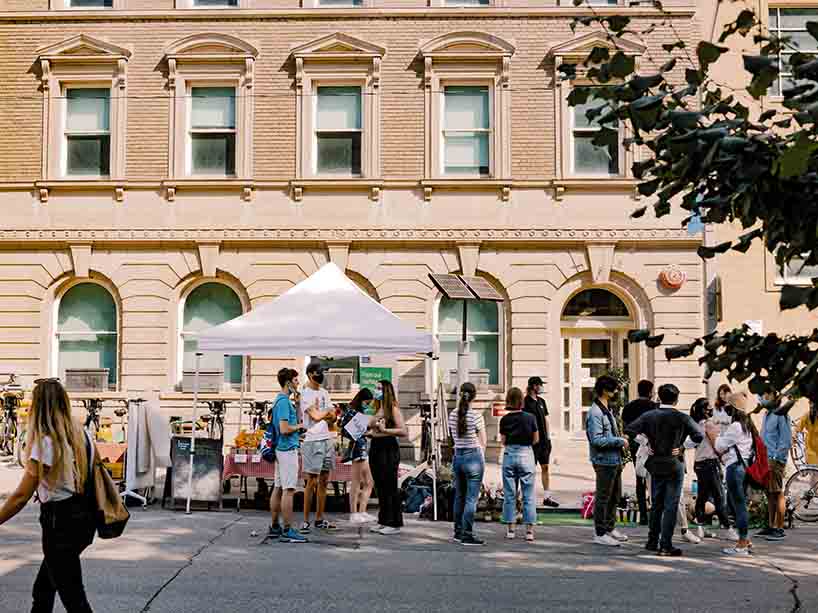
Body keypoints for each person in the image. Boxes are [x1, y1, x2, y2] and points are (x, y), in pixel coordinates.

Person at [0, 378, 95, 613]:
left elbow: (20, 495)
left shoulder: (47, 442)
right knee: (44, 589)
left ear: (38, 408)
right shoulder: (80, 435)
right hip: (83, 519)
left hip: (60, 524)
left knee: (73, 597)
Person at [626, 383, 702, 556]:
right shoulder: (682, 418)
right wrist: (683, 447)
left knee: (656, 503)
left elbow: (629, 429)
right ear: (676, 399)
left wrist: (646, 442)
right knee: (671, 504)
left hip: (654, 463)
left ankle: (652, 541)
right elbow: (699, 435)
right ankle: (666, 544)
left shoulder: (649, 415)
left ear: (659, 397)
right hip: (674, 463)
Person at [587, 375, 629, 547]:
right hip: (604, 460)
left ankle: (609, 528)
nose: (617, 391)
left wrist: (620, 438)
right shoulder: (595, 412)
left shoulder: (606, 408)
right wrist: (620, 441)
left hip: (614, 459)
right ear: (605, 390)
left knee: (614, 496)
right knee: (603, 497)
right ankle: (600, 532)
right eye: (614, 388)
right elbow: (596, 440)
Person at [269, 368, 308, 544]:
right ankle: (287, 529)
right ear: (288, 382)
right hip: (287, 449)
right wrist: (299, 427)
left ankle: (275, 526)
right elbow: (284, 429)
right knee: (289, 490)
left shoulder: (281, 400)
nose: (298, 383)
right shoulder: (284, 402)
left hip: (280, 449)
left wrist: (298, 404)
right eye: (296, 380)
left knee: (278, 487)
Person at [715, 393, 756, 556]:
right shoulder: (748, 425)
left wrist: (716, 433)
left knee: (738, 506)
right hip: (744, 468)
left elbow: (719, 445)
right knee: (739, 505)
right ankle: (745, 539)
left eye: (729, 407)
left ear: (734, 408)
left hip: (735, 469)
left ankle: (742, 544)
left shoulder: (736, 426)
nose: (727, 410)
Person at [299, 362, 338, 533]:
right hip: (312, 440)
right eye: (318, 372)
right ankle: (306, 519)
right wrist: (325, 414)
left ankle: (320, 518)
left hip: (327, 438)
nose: (321, 375)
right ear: (310, 374)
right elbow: (314, 416)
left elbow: (333, 416)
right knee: (311, 481)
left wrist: (325, 414)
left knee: (324, 481)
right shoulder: (305, 394)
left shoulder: (324, 392)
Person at [448, 382, 486, 546]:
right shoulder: (476, 415)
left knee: (460, 496)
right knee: (471, 499)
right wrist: (481, 458)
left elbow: (452, 438)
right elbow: (483, 441)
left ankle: (457, 532)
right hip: (473, 457)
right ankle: (467, 534)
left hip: (458, 457)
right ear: (474, 396)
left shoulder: (452, 415)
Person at [687, 398, 731, 538]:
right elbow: (716, 445)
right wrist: (724, 459)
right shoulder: (708, 424)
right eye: (709, 407)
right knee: (719, 496)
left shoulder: (696, 424)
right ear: (704, 410)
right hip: (710, 463)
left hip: (699, 463)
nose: (712, 409)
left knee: (702, 496)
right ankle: (728, 528)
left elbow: (691, 443)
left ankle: (701, 527)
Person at [369, 380, 408, 536]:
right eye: (375, 388)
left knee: (389, 486)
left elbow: (403, 431)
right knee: (380, 487)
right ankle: (383, 520)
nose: (376, 390)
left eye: (379, 388)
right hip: (376, 448)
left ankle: (394, 522)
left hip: (388, 450)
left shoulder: (393, 408)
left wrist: (385, 430)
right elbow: (374, 429)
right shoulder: (378, 408)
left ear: (386, 391)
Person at [499, 387, 538, 542]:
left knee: (510, 495)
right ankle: (529, 532)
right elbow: (536, 439)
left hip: (509, 455)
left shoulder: (505, 419)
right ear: (521, 401)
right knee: (528, 495)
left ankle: (511, 530)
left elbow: (502, 441)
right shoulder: (530, 418)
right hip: (526, 455)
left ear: (508, 400)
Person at [756, 386, 791, 542]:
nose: (762, 397)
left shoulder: (781, 415)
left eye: (765, 394)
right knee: (769, 493)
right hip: (765, 458)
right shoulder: (766, 414)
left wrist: (777, 458)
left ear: (773, 396)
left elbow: (785, 440)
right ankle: (771, 525)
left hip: (775, 459)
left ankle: (780, 528)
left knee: (777, 493)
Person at [622, 379, 656, 526]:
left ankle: (643, 514)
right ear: (650, 392)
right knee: (654, 479)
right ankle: (655, 513)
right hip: (653, 445)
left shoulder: (629, 407)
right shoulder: (655, 407)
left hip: (636, 446)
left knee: (640, 479)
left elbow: (626, 427)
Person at [340, 388, 377, 524]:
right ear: (361, 400)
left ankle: (361, 511)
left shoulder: (355, 411)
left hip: (362, 449)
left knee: (369, 482)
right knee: (356, 482)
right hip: (357, 449)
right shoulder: (351, 412)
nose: (367, 405)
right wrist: (367, 428)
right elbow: (348, 430)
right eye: (366, 402)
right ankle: (354, 513)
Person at [523, 376, 558, 509]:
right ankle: (528, 497)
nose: (541, 387)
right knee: (530, 470)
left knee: (545, 468)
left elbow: (546, 420)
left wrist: (548, 438)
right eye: (539, 385)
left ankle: (547, 497)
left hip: (544, 442)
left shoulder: (542, 401)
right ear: (533, 386)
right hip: (532, 443)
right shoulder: (525, 402)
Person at [796, 401, 818, 465]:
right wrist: (794, 436)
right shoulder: (807, 416)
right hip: (811, 448)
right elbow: (798, 428)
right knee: (813, 469)